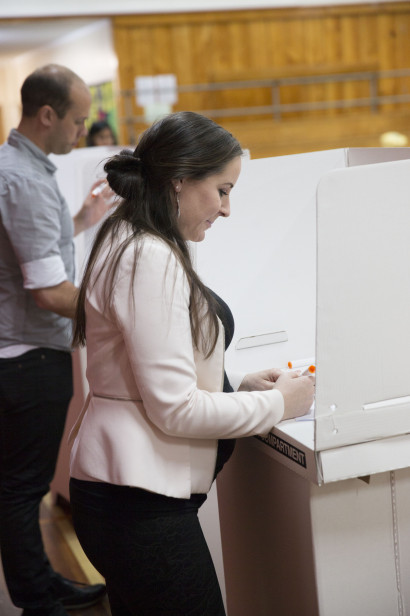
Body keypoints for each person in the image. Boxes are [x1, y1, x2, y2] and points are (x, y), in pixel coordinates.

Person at [68, 111, 315, 616]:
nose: (227, 209)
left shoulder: (137, 239)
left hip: (126, 496)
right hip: (135, 504)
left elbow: (151, 381)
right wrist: (275, 404)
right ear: (179, 180)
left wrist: (238, 390)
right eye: (222, 190)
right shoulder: (148, 255)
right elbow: (174, 409)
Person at [0, 64, 111, 615]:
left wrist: (83, 218)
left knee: (20, 487)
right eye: (77, 120)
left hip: (21, 353)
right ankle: (38, 599)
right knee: (23, 490)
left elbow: (28, 250)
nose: (81, 131)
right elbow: (47, 291)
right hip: (28, 357)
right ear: (48, 115)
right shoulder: (21, 177)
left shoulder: (19, 168)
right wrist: (117, 312)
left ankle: (40, 585)